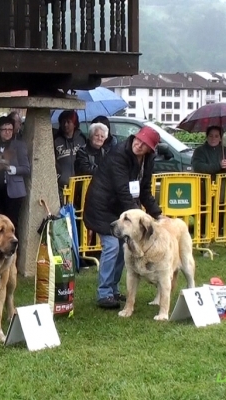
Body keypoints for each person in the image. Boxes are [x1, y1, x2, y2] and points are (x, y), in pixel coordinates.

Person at [83, 126, 162, 310]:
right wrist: (141, 220)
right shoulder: (119, 155)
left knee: (122, 247)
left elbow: (145, 190)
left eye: (144, 144)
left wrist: (157, 214)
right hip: (102, 208)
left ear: (151, 149)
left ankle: (113, 289)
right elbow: (123, 192)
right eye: (138, 140)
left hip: (123, 211)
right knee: (111, 246)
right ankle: (104, 293)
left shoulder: (148, 160)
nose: (138, 145)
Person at [0, 116, 30, 236]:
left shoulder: (19, 144)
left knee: (11, 223)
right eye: (5, 129)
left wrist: (10, 168)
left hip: (14, 191)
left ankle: (12, 250)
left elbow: (26, 168)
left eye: (10, 129)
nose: (8, 132)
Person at [192, 126, 226, 251]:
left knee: (220, 214)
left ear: (221, 137)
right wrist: (218, 165)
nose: (213, 138)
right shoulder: (199, 151)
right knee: (205, 215)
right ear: (207, 136)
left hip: (221, 191)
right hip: (204, 190)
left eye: (216, 136)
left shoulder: (225, 150)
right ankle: (204, 239)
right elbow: (198, 167)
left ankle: (215, 237)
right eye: (211, 135)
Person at [54, 110, 86, 201]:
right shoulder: (55, 140)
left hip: (80, 184)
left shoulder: (82, 139)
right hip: (62, 186)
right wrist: (58, 177)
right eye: (63, 122)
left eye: (68, 122)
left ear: (75, 123)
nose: (65, 125)